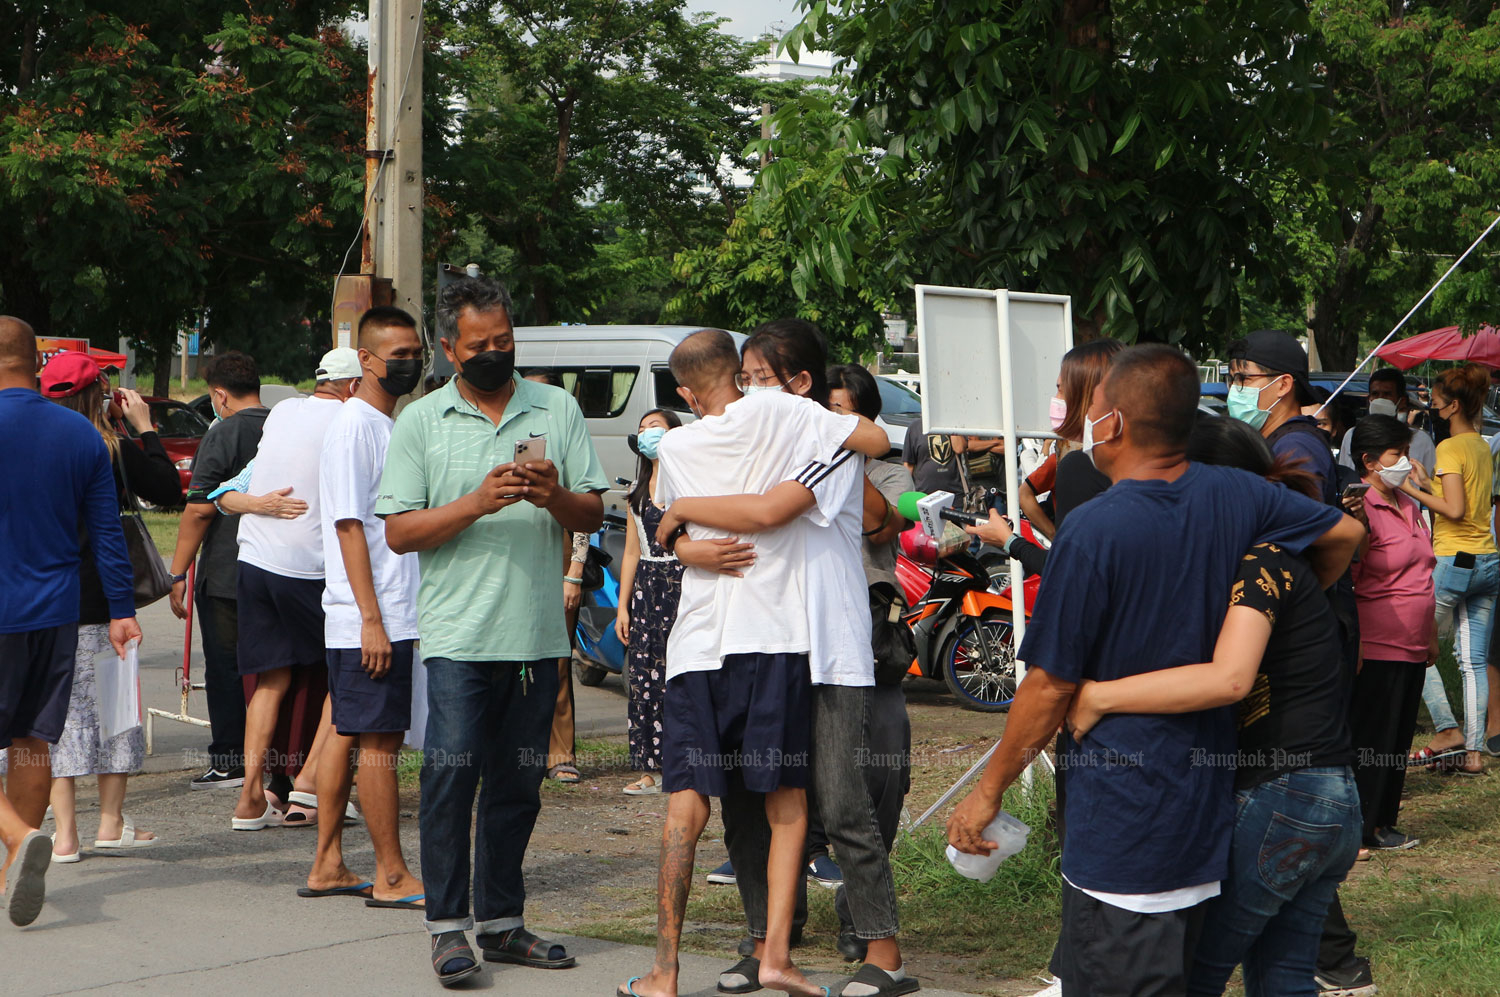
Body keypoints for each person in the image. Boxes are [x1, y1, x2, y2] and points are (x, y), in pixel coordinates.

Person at [946, 344, 1363, 997]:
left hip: (1123, 830)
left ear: (1113, 423)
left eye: (1094, 408)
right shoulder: (1238, 494)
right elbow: (1345, 535)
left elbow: (1050, 684)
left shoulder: (1092, 530)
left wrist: (988, 789)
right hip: (1201, 816)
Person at [617, 328, 887, 997]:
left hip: (763, 640)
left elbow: (724, 515)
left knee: (822, 802)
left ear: (683, 391)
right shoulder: (784, 416)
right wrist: (682, 541)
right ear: (739, 372)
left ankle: (674, 967)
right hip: (773, 640)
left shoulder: (680, 443)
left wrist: (679, 521)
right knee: (773, 803)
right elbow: (876, 443)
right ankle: (768, 948)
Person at [1065, 415, 1361, 997]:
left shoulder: (1263, 561)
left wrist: (1100, 696)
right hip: (1335, 797)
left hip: (1284, 795)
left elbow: (1229, 680)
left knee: (1193, 973)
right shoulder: (1282, 556)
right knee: (1284, 975)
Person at [378, 276, 606, 986]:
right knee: (449, 781)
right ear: (448, 349)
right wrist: (476, 502)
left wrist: (554, 495)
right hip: (457, 639)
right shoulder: (420, 420)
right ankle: (447, 929)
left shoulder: (556, 405)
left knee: (517, 786)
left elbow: (594, 513)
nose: (494, 353)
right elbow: (398, 531)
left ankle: (502, 921)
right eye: (479, 345)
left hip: (537, 636)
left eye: (504, 341)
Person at [0, 319, 141, 927]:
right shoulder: (83, 436)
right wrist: (122, 611)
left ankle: (15, 839)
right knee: (33, 742)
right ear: (35, 362)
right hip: (55, 611)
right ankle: (15, 863)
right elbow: (109, 534)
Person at [301, 307, 426, 908]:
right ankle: (392, 875)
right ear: (367, 361)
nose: (410, 362)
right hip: (373, 615)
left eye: (416, 351)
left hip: (370, 612)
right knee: (380, 743)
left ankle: (328, 863)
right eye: (397, 353)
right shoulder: (357, 426)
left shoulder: (381, 424)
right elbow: (349, 527)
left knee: (348, 736)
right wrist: (373, 620)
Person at [38, 355, 180, 860]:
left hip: (45, 598)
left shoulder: (32, 445)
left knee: (60, 715)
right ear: (99, 394)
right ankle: (110, 822)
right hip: (106, 596)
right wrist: (143, 427)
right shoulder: (111, 447)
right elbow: (168, 490)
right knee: (115, 706)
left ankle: (66, 833)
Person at [224, 348, 358, 832]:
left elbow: (224, 493)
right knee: (349, 671)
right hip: (308, 567)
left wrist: (253, 503)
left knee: (271, 679)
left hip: (255, 558)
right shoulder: (353, 422)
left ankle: (249, 797)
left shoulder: (283, 411)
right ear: (354, 387)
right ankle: (307, 782)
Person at [167, 351, 269, 790]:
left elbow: (200, 509)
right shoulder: (284, 427)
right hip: (280, 569)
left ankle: (231, 761)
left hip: (228, 573)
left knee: (226, 668)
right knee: (274, 670)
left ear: (219, 395)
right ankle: (279, 760)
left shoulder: (224, 431)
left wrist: (176, 573)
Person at [1341, 414, 1435, 852]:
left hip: (1416, 641)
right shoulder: (1361, 508)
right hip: (1379, 640)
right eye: (1397, 455)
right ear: (1370, 461)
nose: (1406, 462)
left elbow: (1423, 572)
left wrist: (1431, 634)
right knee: (1372, 739)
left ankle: (1383, 823)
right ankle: (1360, 826)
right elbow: (1352, 571)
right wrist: (1357, 525)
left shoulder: (1409, 503)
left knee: (1398, 739)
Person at [1399, 364, 1497, 776]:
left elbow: (1454, 511)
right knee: (1472, 662)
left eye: (1436, 404)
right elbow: (1473, 503)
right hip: (1489, 561)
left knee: (1411, 644)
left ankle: (1445, 728)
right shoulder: (1481, 444)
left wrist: (1408, 488)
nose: (1432, 409)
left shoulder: (1451, 448)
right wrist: (1427, 483)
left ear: (1453, 405)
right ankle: (1473, 754)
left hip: (1453, 561)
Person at [615, 408, 686, 796]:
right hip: (647, 586)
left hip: (683, 580)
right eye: (642, 429)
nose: (647, 435)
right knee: (644, 677)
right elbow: (630, 552)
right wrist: (623, 606)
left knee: (680, 672)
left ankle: (683, 762)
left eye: (655, 428)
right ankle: (648, 768)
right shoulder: (636, 491)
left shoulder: (688, 484)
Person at [523, 369, 586, 787]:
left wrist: (575, 571)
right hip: (516, 552)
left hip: (560, 551)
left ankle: (560, 752)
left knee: (558, 660)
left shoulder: (568, 436)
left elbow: (585, 505)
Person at [1019, 340, 1123, 540]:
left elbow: (1074, 568)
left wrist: (1010, 543)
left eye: (1061, 389)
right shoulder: (1151, 462)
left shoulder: (1079, 467)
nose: (1056, 398)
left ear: (1085, 394)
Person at [1336, 368, 1437, 475]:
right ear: (1369, 399)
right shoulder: (1352, 436)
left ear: (1401, 401)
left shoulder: (1421, 440)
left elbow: (1431, 483)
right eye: (1375, 394)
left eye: (1387, 394)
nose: (1380, 400)